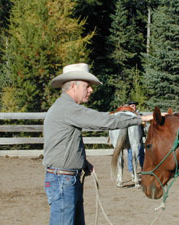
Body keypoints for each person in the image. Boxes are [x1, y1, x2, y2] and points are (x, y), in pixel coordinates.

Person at [43, 63, 153, 225]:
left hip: (64, 178)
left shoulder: (63, 108)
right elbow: (105, 120)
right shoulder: (68, 108)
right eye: (87, 86)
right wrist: (140, 118)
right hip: (63, 180)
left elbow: (64, 142)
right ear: (73, 86)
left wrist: (82, 162)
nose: (91, 90)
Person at [125, 101, 145, 174]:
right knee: (131, 153)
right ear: (129, 106)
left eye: (134, 106)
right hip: (130, 138)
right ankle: (131, 170)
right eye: (132, 106)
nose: (134, 107)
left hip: (139, 137)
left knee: (141, 152)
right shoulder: (127, 115)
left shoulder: (138, 114)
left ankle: (143, 167)